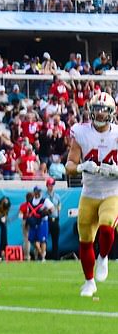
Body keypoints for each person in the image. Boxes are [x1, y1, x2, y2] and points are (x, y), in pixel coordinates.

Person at [65, 92, 118, 296]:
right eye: (96, 109)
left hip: (111, 191)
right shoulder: (81, 132)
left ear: (111, 113)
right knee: (85, 239)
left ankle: (103, 256)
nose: (100, 113)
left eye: (104, 110)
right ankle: (89, 282)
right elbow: (70, 165)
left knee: (106, 227)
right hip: (89, 192)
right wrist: (80, 168)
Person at [25, 186, 54, 262]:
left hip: (42, 221)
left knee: (42, 240)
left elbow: (52, 208)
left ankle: (42, 256)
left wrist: (47, 212)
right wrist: (28, 221)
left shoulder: (44, 200)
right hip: (34, 222)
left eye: (39, 192)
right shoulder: (31, 201)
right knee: (33, 240)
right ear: (34, 192)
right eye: (37, 192)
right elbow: (28, 213)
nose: (38, 193)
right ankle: (41, 253)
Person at [45, 177, 61, 259]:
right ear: (47, 186)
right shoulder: (44, 196)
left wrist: (58, 213)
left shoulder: (57, 196)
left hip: (55, 219)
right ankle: (45, 256)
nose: (51, 187)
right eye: (49, 185)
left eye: (52, 185)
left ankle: (56, 256)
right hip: (47, 219)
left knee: (55, 239)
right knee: (44, 239)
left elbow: (59, 206)